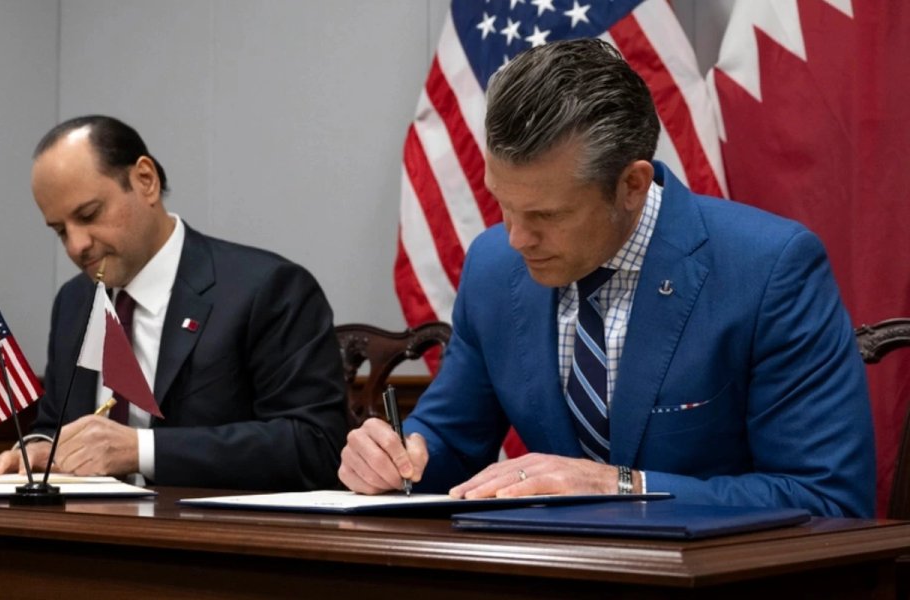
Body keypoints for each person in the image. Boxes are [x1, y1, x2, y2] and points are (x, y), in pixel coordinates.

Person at [338, 39, 875, 517]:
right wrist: (395, 458)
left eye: (547, 216)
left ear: (632, 186)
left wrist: (622, 486)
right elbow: (449, 443)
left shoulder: (768, 268)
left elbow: (825, 497)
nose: (517, 238)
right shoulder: (493, 268)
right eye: (502, 204)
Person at [0, 115, 349, 490]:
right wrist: (41, 450)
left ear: (145, 181)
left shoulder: (267, 290)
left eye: (88, 215)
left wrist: (141, 450)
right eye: (60, 231)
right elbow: (54, 424)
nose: (76, 245)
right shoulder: (75, 301)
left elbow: (315, 445)